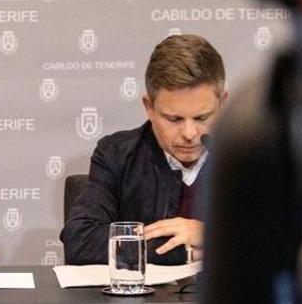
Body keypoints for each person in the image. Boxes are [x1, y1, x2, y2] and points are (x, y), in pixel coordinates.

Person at [61, 34, 226, 265]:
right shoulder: (117, 154)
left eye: (202, 117)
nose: (189, 133)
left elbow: (281, 239)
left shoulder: (250, 157)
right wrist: (181, 251)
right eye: (174, 119)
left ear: (223, 103)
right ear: (149, 107)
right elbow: (81, 240)